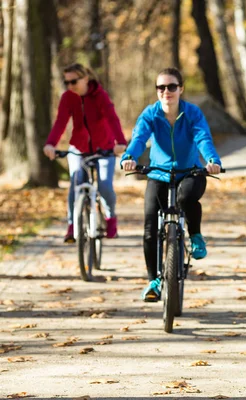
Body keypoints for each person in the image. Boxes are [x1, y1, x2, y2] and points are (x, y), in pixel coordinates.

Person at [121, 67, 222, 302]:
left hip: (190, 171)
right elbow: (139, 138)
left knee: (186, 199)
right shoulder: (150, 114)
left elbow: (203, 137)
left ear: (181, 89)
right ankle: (153, 280)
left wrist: (212, 160)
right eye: (161, 87)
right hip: (159, 173)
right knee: (149, 226)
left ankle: (195, 235)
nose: (166, 92)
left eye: (172, 87)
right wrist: (130, 157)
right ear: (157, 91)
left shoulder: (192, 113)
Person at [44, 63, 127, 242]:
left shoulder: (99, 95)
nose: (70, 86)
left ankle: (110, 218)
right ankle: (72, 225)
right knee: (75, 182)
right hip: (79, 148)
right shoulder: (68, 97)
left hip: (104, 148)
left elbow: (112, 118)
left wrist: (120, 142)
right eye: (67, 82)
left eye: (74, 81)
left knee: (104, 186)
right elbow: (61, 122)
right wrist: (50, 144)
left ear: (85, 78)